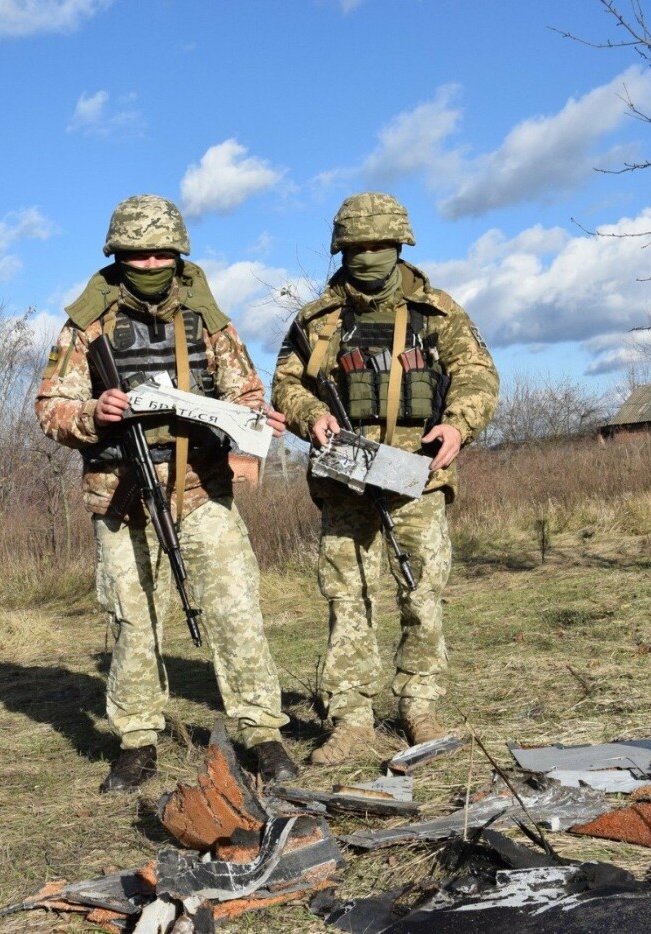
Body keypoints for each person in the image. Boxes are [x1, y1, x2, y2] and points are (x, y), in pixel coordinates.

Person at [35, 194, 299, 792]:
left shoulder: (207, 318)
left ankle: (261, 732)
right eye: (137, 254)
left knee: (236, 608)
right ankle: (136, 740)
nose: (151, 264)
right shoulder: (87, 324)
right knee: (133, 618)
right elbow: (49, 408)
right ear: (117, 254)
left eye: (161, 253)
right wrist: (92, 413)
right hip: (121, 495)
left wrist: (256, 420)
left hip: (201, 488)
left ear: (178, 253)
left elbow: (245, 391)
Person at [271, 192, 499, 765]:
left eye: (379, 245)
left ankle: (419, 706)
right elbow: (286, 386)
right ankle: (349, 720)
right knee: (348, 598)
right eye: (357, 247)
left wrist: (456, 426)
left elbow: (478, 376)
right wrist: (311, 417)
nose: (368, 255)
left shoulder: (437, 312)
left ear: (400, 245)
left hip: (418, 476)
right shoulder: (316, 322)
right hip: (345, 477)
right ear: (341, 250)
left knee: (422, 593)